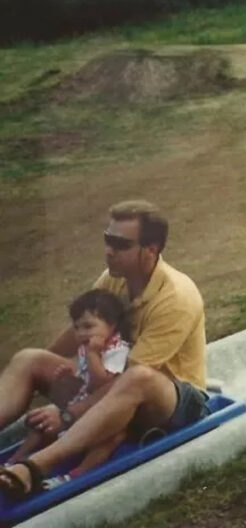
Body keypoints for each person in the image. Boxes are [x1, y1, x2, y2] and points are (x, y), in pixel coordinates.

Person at [0, 200, 209, 499]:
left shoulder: (176, 298)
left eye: (120, 244)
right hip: (109, 383)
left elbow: (129, 376)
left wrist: (67, 414)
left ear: (150, 250)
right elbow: (81, 331)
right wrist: (42, 372)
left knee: (138, 378)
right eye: (107, 240)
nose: (109, 250)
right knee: (29, 358)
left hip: (170, 402)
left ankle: (31, 469)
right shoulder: (114, 278)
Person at [7, 290, 131, 488]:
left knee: (112, 436)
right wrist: (67, 376)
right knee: (42, 423)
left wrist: (92, 354)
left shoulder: (117, 349)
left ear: (112, 325)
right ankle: (14, 461)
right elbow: (86, 380)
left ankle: (77, 474)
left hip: (103, 409)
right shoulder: (86, 348)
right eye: (77, 327)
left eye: (89, 326)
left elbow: (102, 383)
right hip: (81, 405)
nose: (82, 333)